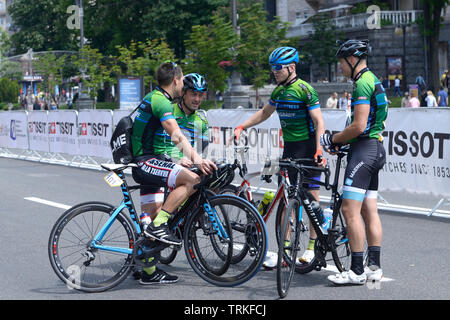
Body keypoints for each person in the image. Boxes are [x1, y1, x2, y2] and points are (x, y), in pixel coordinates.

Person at [229, 46, 326, 267]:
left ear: (291, 67)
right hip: (290, 149)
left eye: (278, 68)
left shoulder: (305, 90)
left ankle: (312, 247)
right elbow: (264, 113)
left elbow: (319, 121)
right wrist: (242, 126)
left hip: (309, 149)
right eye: (272, 67)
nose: (274, 71)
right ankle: (285, 251)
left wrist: (319, 149)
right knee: (285, 199)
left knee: (311, 198)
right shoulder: (278, 91)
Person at [130, 62, 217, 285]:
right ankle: (160, 225)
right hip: (146, 161)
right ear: (177, 81)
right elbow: (176, 135)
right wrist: (197, 159)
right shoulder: (160, 100)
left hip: (147, 160)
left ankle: (148, 272)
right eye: (183, 81)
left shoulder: (156, 97)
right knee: (193, 180)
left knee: (150, 216)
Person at [321, 39, 387, 285]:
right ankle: (374, 267)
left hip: (364, 151)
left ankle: (357, 270)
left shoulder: (362, 84)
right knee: (369, 210)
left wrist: (334, 139)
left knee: (350, 210)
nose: (340, 67)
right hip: (376, 148)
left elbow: (359, 126)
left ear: (353, 59)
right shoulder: (375, 80)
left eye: (341, 62)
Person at [164, 73, 210, 164]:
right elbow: (155, 145)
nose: (197, 99)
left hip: (188, 165)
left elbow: (202, 153)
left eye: (200, 95)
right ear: (183, 93)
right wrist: (175, 160)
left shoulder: (201, 120)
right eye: (193, 94)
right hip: (164, 162)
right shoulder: (167, 111)